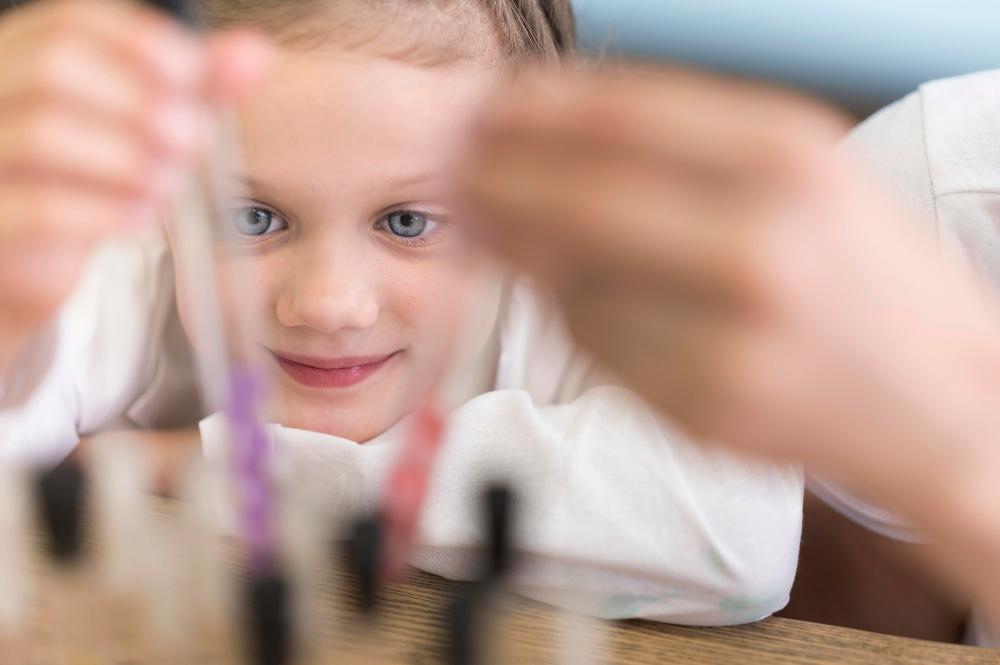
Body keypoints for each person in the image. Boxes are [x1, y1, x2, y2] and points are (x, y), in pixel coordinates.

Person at [0, 0, 803, 624]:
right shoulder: (131, 238)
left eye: (407, 223)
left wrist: (225, 468)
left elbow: (738, 533)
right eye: (253, 219)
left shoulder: (579, 280)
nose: (327, 303)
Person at [461, 63, 1000, 637]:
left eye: (408, 221)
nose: (350, 306)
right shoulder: (924, 179)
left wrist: (961, 451)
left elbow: (736, 534)